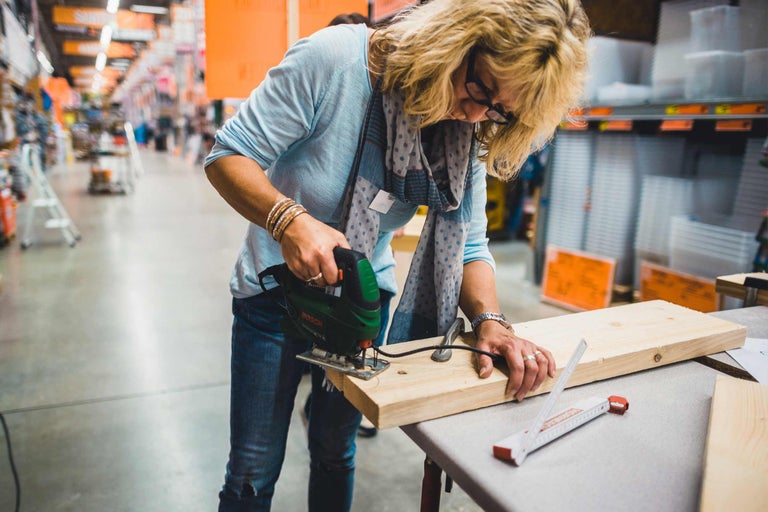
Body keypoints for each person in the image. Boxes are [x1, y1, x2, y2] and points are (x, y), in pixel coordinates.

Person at [204, 1, 590, 510]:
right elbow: (228, 154)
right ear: (454, 40)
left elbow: (470, 242)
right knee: (253, 466)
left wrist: (491, 321)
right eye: (479, 89)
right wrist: (288, 220)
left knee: (334, 449)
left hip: (361, 306)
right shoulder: (334, 62)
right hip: (273, 296)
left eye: (500, 110)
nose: (476, 115)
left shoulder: (465, 127)